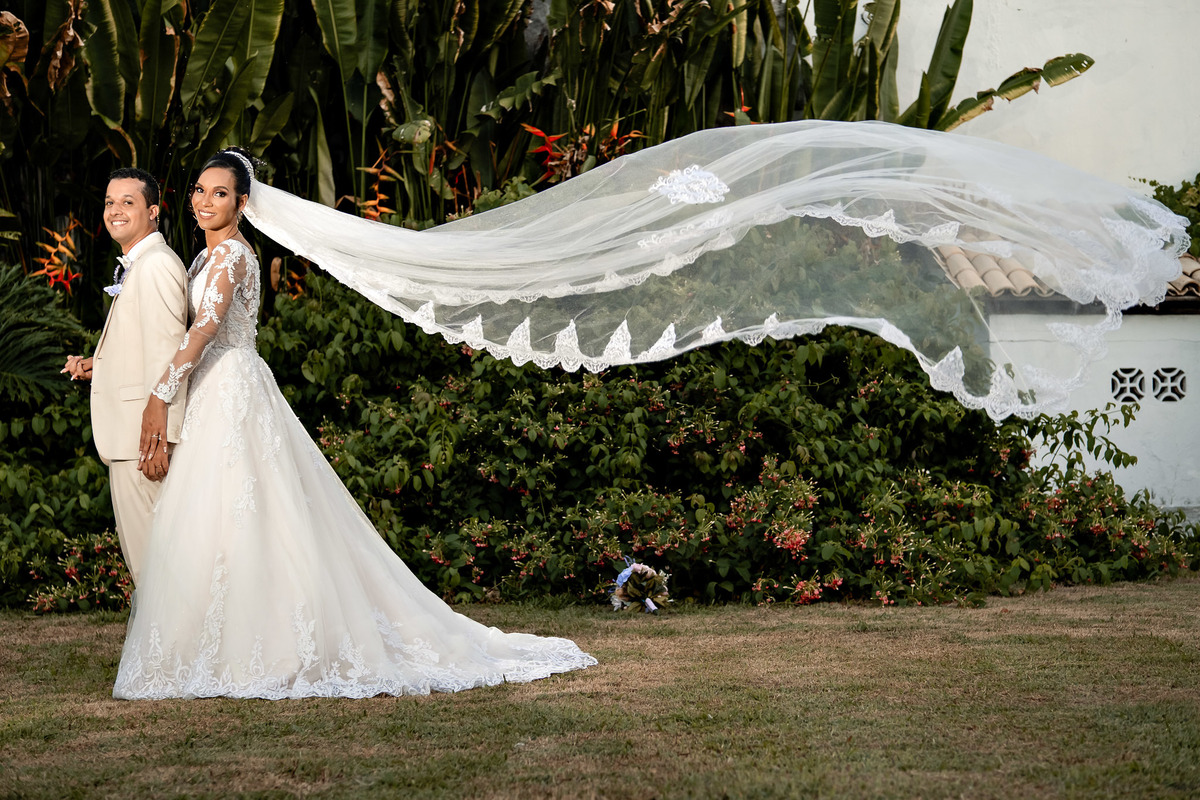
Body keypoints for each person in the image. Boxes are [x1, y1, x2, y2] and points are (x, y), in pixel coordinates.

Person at [113, 149, 596, 699]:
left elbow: (202, 333)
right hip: (210, 392)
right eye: (199, 190)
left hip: (230, 387)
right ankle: (218, 639)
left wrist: (160, 395)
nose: (204, 201)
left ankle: (271, 645)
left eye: (219, 193)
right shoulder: (202, 260)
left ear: (242, 203)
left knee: (250, 514)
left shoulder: (231, 260)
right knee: (220, 518)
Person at [62, 168, 189, 586]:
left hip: (142, 442)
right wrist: (96, 364)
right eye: (109, 202)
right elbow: (141, 347)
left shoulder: (154, 267)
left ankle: (171, 651)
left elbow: (170, 356)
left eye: (127, 202)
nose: (115, 211)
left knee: (154, 566)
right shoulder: (142, 262)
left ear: (153, 211)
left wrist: (160, 438)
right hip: (133, 438)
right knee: (151, 561)